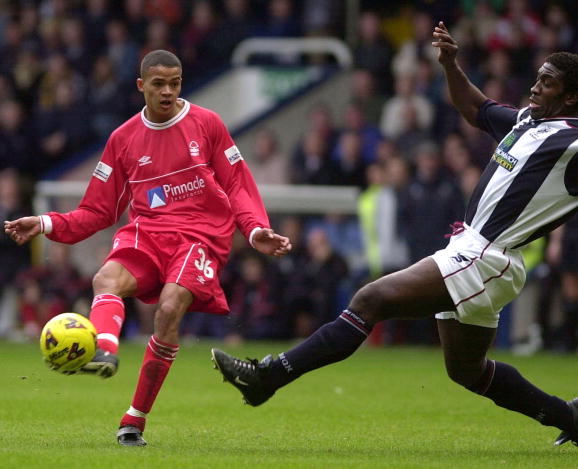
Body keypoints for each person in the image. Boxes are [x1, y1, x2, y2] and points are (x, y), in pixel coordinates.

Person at [211, 23, 578, 447]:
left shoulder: (571, 143)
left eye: (547, 82)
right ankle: (567, 417)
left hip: (490, 255)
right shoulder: (527, 121)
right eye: (537, 77)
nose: (535, 87)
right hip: (469, 248)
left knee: (370, 300)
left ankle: (268, 377)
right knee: (467, 371)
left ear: (570, 96)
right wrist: (451, 65)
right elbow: (475, 109)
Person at [4, 49, 291, 447]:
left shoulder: (208, 124)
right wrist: (46, 222)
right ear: (141, 85)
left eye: (175, 83)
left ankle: (133, 419)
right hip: (148, 232)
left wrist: (256, 229)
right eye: (159, 84)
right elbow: (98, 211)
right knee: (105, 277)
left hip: (199, 236)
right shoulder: (122, 140)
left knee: (170, 306)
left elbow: (238, 183)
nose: (168, 91)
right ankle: (103, 349)